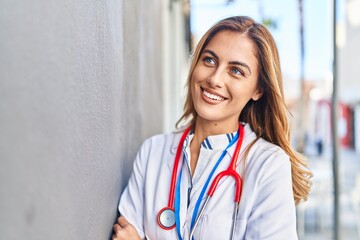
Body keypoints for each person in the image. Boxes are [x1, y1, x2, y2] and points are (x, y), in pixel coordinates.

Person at [112, 16, 312, 240]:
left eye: (236, 71)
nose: (215, 79)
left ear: (258, 90)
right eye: (209, 60)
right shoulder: (153, 152)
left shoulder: (268, 164)